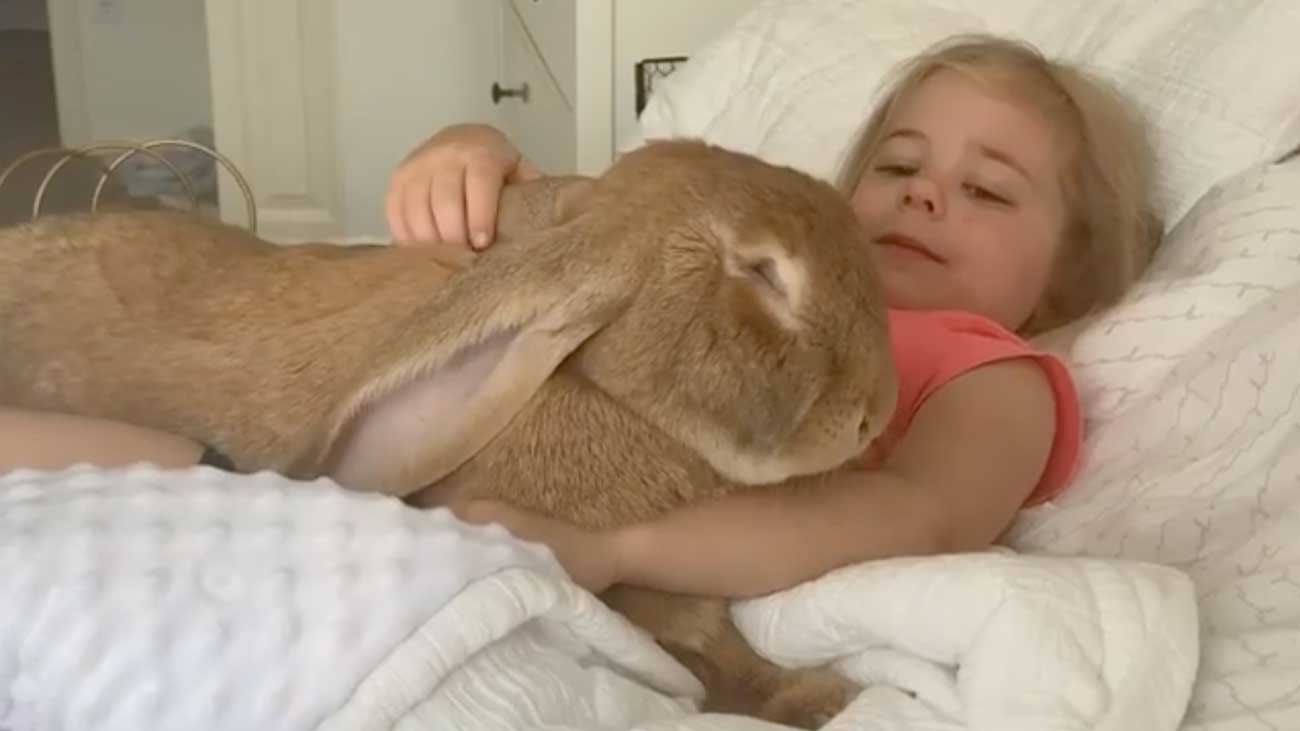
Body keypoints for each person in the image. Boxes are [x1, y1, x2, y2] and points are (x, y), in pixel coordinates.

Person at [384, 34, 1162, 597]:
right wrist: (478, 155)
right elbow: (611, 233)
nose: (922, 193)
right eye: (897, 165)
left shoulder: (991, 373)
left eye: (987, 189)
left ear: (1063, 283)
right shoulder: (758, 271)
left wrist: (617, 549)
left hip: (612, 556)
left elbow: (921, 517)